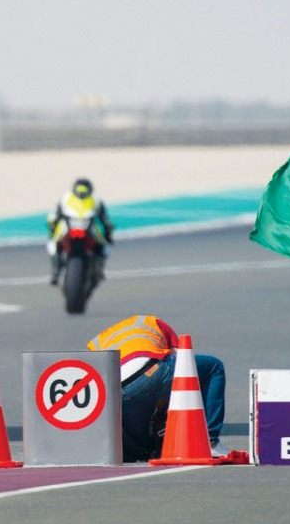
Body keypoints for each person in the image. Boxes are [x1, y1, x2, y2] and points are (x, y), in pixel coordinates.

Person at [86, 314, 227, 462]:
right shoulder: (155, 323)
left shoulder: (100, 341)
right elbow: (184, 369)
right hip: (150, 370)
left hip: (118, 390)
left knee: (136, 450)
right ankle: (210, 441)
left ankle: (134, 454)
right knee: (213, 367)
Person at [47, 177, 115, 284]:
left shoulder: (66, 198)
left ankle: (56, 271)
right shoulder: (96, 200)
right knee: (53, 243)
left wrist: (52, 230)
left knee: (53, 243)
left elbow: (53, 218)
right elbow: (106, 221)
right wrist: (108, 234)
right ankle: (56, 271)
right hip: (73, 229)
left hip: (80, 230)